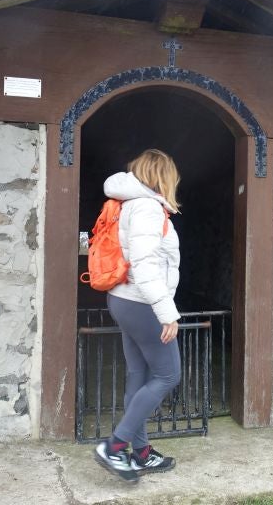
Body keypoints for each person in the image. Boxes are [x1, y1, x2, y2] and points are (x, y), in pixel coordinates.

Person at [93, 149, 182, 484]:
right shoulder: (145, 207)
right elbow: (145, 265)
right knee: (168, 375)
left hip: (123, 299)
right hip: (143, 303)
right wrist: (167, 312)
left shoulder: (129, 203)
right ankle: (114, 447)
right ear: (163, 176)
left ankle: (141, 454)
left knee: (139, 374)